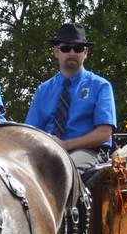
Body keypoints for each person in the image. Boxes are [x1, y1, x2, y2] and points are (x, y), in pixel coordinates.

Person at [25, 22, 117, 172]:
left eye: (78, 48)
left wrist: (65, 145)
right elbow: (31, 132)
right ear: (56, 52)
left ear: (85, 53)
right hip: (47, 152)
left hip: (89, 152)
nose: (72, 52)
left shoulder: (100, 86)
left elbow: (104, 134)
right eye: (66, 48)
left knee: (62, 169)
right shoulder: (44, 90)